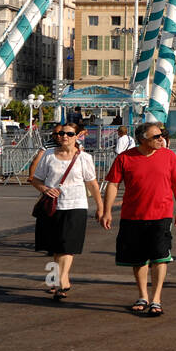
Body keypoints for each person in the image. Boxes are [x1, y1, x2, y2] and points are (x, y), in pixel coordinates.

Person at [102, 121, 176, 315]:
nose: (161, 139)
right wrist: (106, 211)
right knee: (139, 259)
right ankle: (142, 295)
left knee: (160, 257)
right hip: (133, 215)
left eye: (161, 135)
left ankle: (156, 299)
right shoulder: (124, 158)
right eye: (156, 137)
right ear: (142, 139)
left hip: (161, 215)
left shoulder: (169, 156)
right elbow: (113, 185)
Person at [29, 123, 103, 300]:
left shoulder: (84, 158)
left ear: (77, 136)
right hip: (53, 206)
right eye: (61, 133)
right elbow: (35, 179)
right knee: (55, 248)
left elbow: (92, 183)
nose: (64, 136)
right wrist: (45, 189)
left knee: (67, 245)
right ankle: (55, 280)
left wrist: (100, 206)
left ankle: (62, 280)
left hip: (76, 205)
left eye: (69, 134)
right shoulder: (48, 155)